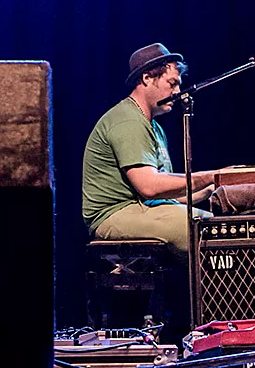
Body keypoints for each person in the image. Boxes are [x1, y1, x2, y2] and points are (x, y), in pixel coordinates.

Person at [81, 43, 219, 258]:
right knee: (206, 229)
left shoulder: (153, 127)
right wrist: (210, 176)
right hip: (114, 215)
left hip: (143, 208)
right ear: (147, 78)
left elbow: (169, 195)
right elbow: (149, 187)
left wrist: (215, 186)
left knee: (220, 226)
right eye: (172, 83)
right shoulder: (127, 120)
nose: (177, 92)